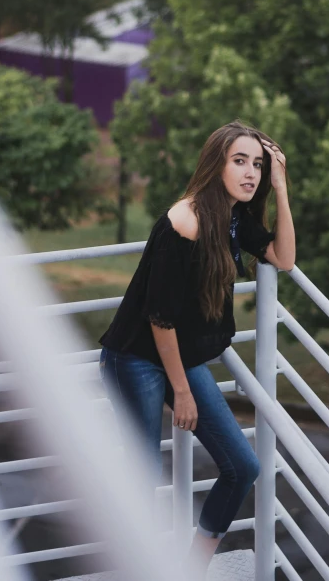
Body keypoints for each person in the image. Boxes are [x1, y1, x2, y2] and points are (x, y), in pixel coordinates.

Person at [98, 120, 295, 579]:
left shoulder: (232, 216)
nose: (251, 173)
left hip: (175, 358)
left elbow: (283, 259)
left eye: (258, 165)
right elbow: (159, 318)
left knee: (242, 467)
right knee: (142, 478)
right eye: (239, 161)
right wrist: (182, 391)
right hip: (136, 359)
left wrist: (281, 187)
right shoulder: (186, 221)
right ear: (215, 164)